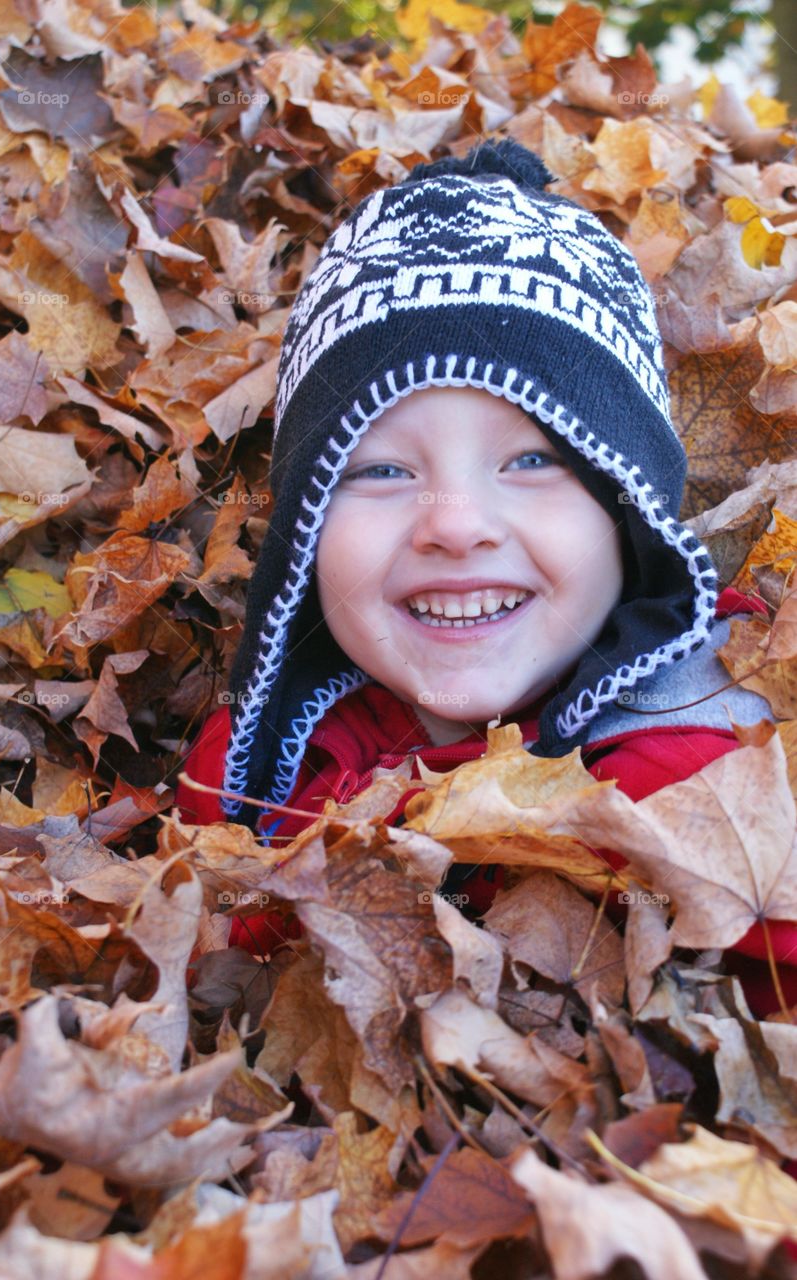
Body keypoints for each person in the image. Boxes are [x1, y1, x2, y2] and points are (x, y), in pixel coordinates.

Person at [176, 136, 796, 1022]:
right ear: (303, 526)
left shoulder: (695, 784)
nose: (454, 524)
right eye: (381, 472)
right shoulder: (254, 760)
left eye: (532, 461)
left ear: (628, 512)